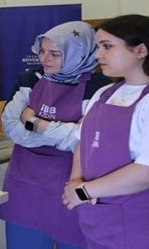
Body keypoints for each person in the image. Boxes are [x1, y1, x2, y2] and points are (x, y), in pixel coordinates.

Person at [0, 21, 111, 249]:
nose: (44, 59)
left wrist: (34, 123)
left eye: (55, 54)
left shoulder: (99, 88)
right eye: (41, 51)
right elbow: (11, 127)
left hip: (71, 185)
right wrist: (65, 134)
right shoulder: (29, 79)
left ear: (79, 53)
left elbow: (86, 139)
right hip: (25, 185)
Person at [61, 14, 149, 248]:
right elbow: (82, 142)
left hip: (137, 221)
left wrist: (84, 191)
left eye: (107, 46)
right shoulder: (104, 93)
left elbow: (145, 171)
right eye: (98, 47)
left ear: (141, 50)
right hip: (97, 217)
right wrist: (75, 180)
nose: (98, 55)